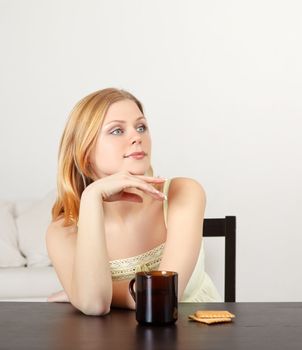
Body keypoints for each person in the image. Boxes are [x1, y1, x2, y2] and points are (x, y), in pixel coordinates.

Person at [46, 87, 222, 316]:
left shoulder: (184, 192)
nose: (137, 137)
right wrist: (91, 197)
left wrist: (79, 293)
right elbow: (94, 305)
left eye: (141, 127)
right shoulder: (62, 231)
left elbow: (164, 299)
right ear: (85, 153)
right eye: (117, 130)